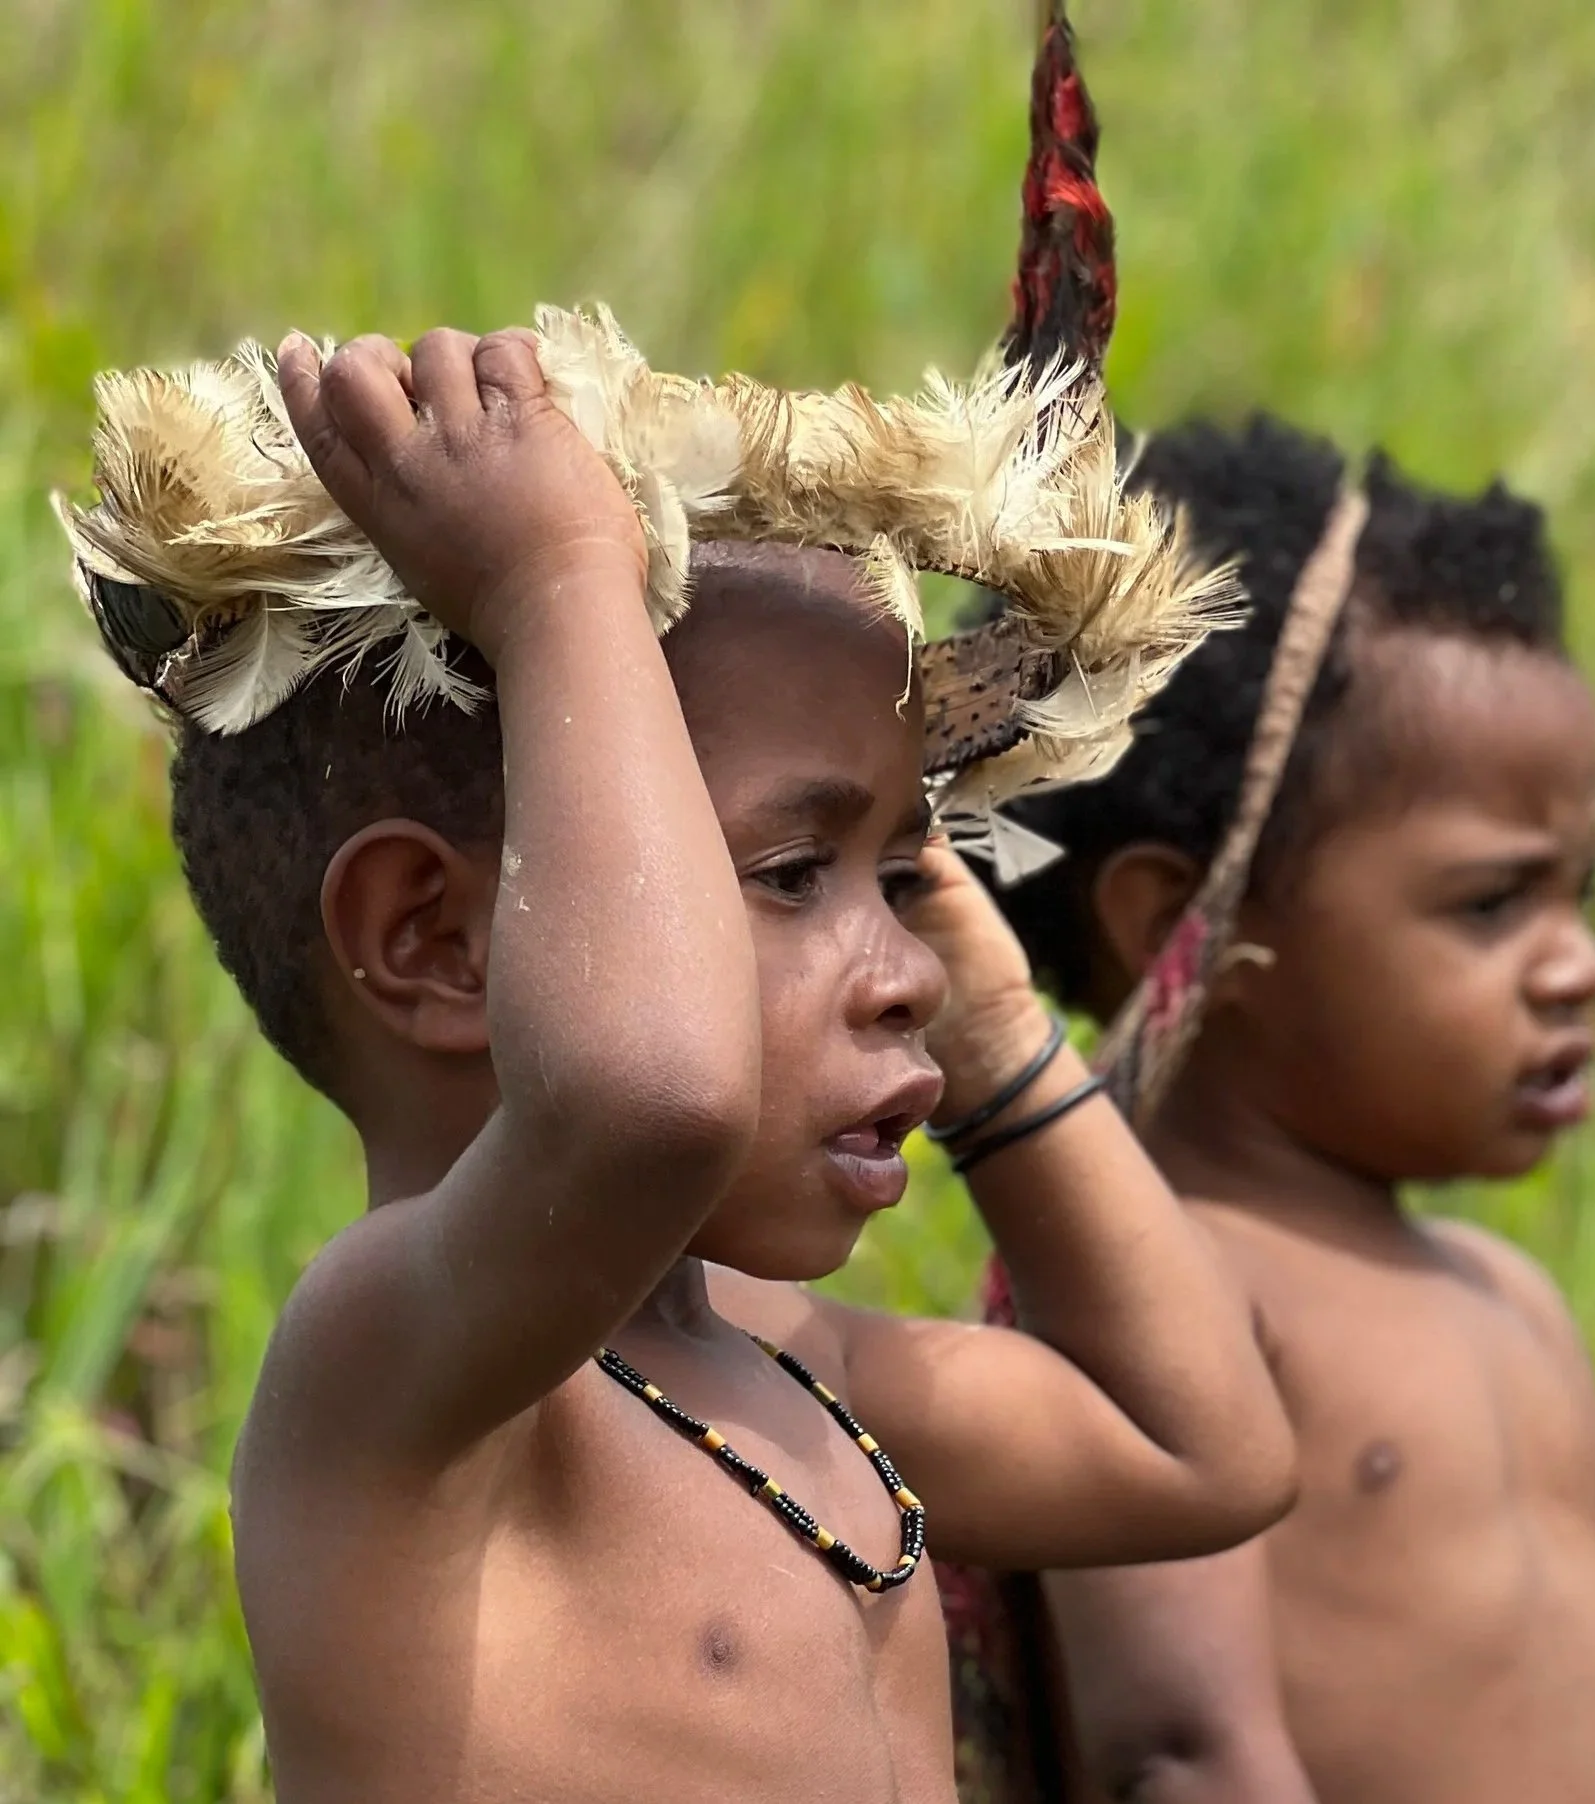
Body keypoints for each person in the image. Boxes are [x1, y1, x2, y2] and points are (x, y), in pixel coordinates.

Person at [55, 308, 1292, 1804]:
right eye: (789, 875)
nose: (901, 972)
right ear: (438, 941)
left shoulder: (788, 1368)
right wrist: (556, 580)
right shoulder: (403, 1378)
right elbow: (652, 1097)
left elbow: (1200, 1449)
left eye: (901, 877)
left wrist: (996, 1029)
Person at [967, 415, 1595, 1803]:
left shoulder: (1516, 1300)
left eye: (1583, 895)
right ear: (1187, 925)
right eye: (1493, 903)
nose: (1581, 965)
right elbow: (1185, 1752)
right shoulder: (1165, 1304)